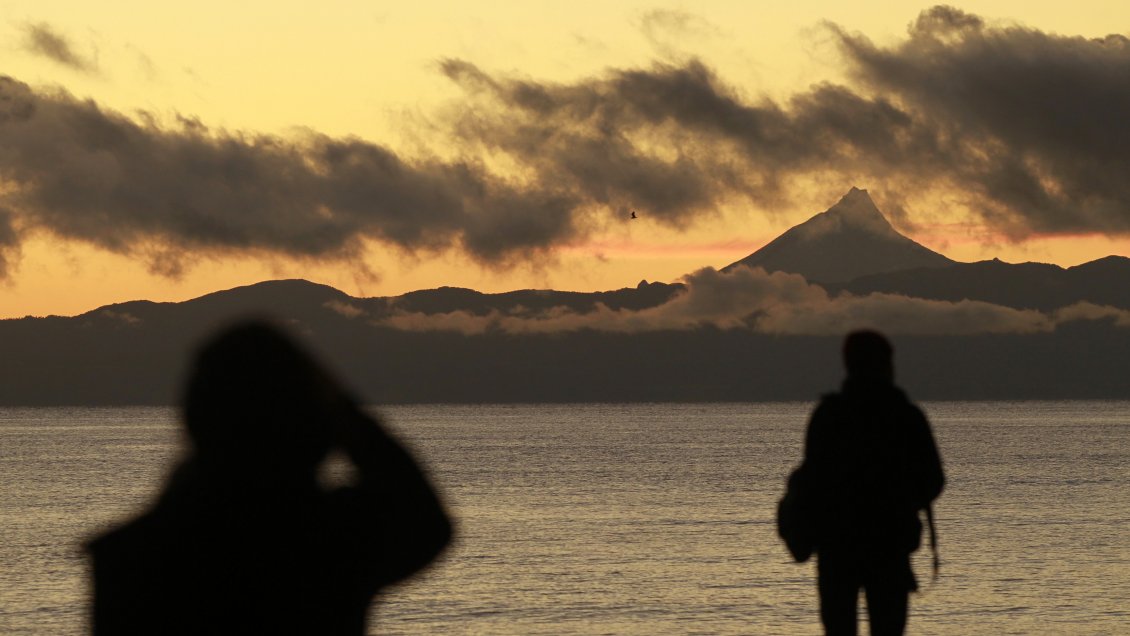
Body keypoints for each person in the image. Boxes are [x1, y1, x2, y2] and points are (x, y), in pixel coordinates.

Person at [87, 320, 453, 635]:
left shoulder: (129, 560)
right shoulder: (331, 543)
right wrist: (338, 405)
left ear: (196, 420)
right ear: (312, 428)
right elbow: (422, 515)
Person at [798, 330, 944, 636]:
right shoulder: (906, 415)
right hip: (888, 547)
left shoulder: (828, 415)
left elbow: (811, 480)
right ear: (887, 364)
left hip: (837, 546)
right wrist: (900, 503)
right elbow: (933, 480)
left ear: (848, 364)